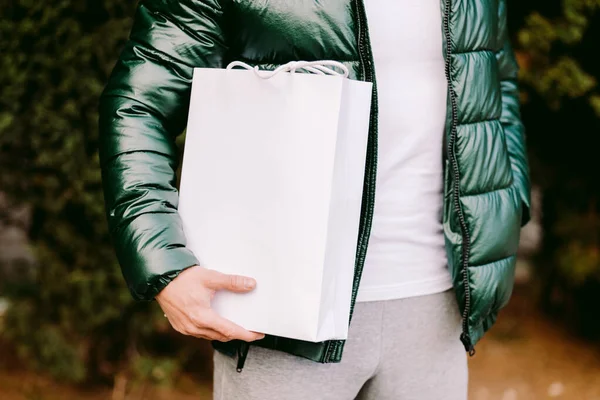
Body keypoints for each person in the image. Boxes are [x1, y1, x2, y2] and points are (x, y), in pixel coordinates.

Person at [99, 0, 531, 398]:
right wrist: (165, 267)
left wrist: (510, 205)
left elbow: (497, 83)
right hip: (278, 309)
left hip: (437, 305)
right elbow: (139, 104)